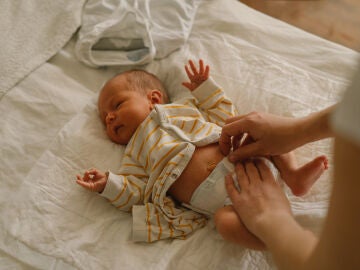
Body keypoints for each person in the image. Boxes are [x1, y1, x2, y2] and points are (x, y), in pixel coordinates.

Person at [76, 59, 327, 249]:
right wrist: (108, 184)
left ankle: (293, 176)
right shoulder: (133, 155)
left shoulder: (183, 108)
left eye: (117, 105)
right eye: (104, 118)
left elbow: (226, 115)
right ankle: (271, 244)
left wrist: (205, 89)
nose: (109, 117)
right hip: (224, 203)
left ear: (153, 99)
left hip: (243, 156)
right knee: (224, 224)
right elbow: (137, 193)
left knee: (262, 132)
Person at [221, 64, 360, 268]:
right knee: (223, 221)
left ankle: (293, 175)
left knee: (224, 221)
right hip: (230, 194)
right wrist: (297, 130)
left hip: (247, 196)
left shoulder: (180, 114)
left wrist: (272, 221)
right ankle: (293, 178)